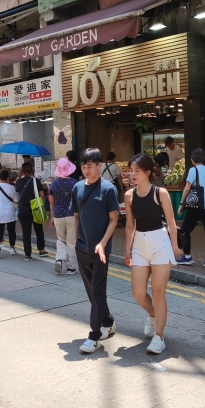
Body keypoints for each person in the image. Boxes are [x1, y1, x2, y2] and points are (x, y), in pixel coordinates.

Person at [124, 153, 182, 355]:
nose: (132, 174)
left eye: (137, 171)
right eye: (131, 170)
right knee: (138, 293)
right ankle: (153, 315)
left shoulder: (161, 193)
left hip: (160, 243)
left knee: (158, 292)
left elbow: (171, 222)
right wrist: (127, 248)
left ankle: (159, 337)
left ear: (148, 172)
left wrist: (175, 246)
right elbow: (130, 225)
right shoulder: (129, 195)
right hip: (140, 244)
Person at [72, 148, 120, 354]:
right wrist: (76, 239)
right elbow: (76, 216)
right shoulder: (77, 187)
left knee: (98, 289)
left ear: (100, 165)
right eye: (83, 166)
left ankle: (94, 336)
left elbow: (113, 219)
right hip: (82, 248)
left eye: (90, 166)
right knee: (91, 291)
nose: (86, 170)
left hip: (101, 250)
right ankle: (107, 321)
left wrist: (102, 243)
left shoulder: (109, 189)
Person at [176, 148, 205, 269]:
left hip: (196, 207)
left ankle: (187, 257)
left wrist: (182, 204)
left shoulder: (193, 170)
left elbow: (187, 188)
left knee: (184, 230)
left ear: (193, 159)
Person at [48, 158, 78, 275]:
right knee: (71, 241)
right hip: (71, 215)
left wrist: (52, 216)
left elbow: (51, 202)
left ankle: (59, 260)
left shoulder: (54, 184)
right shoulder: (75, 183)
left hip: (58, 215)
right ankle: (70, 268)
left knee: (61, 239)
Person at [15, 162, 48, 260]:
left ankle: (28, 254)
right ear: (32, 170)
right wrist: (42, 206)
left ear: (22, 171)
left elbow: (17, 190)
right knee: (39, 230)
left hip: (23, 209)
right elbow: (42, 195)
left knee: (26, 232)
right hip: (36, 209)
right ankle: (41, 250)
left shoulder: (19, 182)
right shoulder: (36, 181)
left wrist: (19, 176)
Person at [0, 169, 19, 258]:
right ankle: (12, 248)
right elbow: (16, 200)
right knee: (11, 231)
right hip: (10, 212)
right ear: (8, 178)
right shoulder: (12, 188)